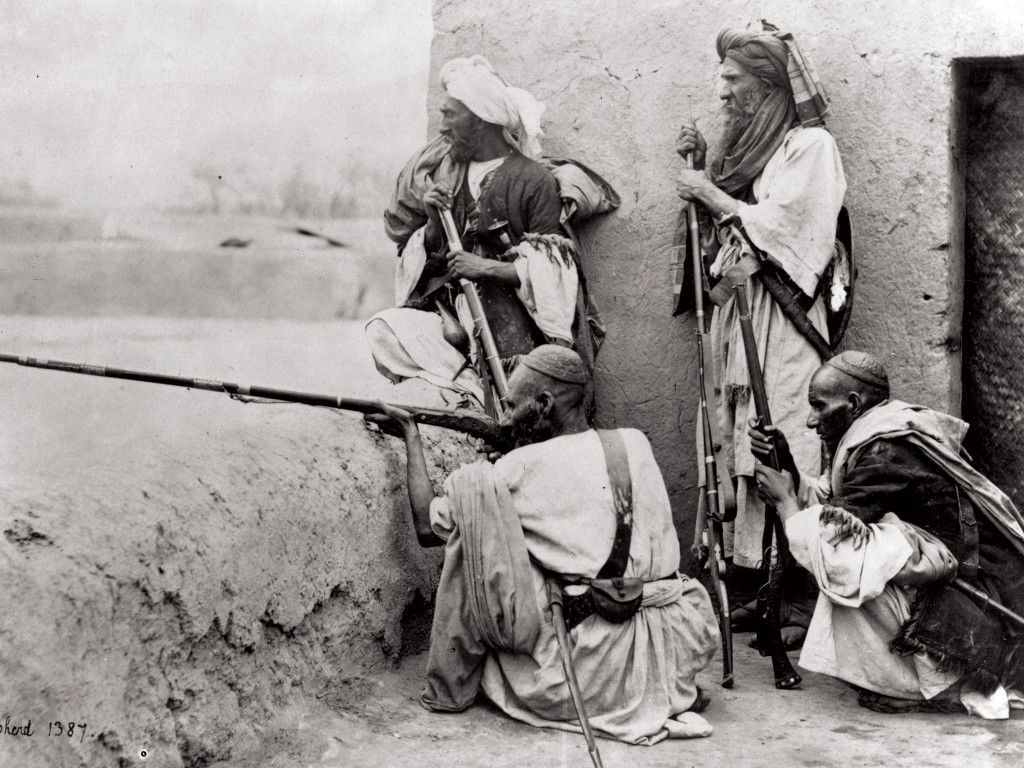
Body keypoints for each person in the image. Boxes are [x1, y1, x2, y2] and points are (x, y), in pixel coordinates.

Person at [366, 345, 719, 744]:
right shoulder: (634, 442)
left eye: (512, 406)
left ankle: (456, 689)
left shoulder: (519, 468)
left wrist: (411, 435)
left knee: (476, 523)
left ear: (545, 403)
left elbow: (426, 527)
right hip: (672, 654)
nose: (505, 418)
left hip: (598, 672)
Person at [675, 22, 847, 643]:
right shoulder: (756, 152)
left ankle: (801, 599)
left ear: (767, 85)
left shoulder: (810, 148)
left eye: (733, 80)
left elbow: (791, 232)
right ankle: (765, 587)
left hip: (786, 318)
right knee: (743, 446)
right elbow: (728, 222)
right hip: (741, 314)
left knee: (788, 447)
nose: (722, 92)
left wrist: (711, 196)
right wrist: (705, 174)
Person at [750, 350, 1024, 718]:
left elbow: (831, 540)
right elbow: (842, 506)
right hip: (961, 593)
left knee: (850, 569)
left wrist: (786, 503)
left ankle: (925, 688)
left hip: (974, 605)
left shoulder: (885, 449)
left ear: (852, 403)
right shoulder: (879, 433)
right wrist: (787, 463)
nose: (811, 421)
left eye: (818, 406)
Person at [368, 55, 603, 411]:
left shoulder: (532, 180)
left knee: (528, 382)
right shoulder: (447, 173)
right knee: (383, 329)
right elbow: (429, 266)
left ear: (480, 120)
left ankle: (488, 391)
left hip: (515, 324)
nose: (443, 126)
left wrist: (484, 268)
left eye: (451, 115)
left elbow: (555, 278)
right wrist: (433, 221)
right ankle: (472, 390)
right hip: (456, 320)